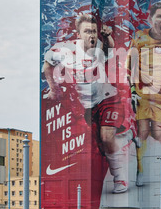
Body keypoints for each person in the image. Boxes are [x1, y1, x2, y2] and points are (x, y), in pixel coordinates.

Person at [44, 14, 132, 193]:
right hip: (85, 106)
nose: (91, 35)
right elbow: (47, 64)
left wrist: (107, 36)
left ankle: (120, 178)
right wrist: (53, 89)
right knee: (95, 145)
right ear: (78, 34)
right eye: (87, 32)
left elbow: (110, 49)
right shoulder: (64, 51)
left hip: (107, 98)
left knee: (106, 137)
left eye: (94, 31)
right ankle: (124, 138)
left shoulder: (99, 47)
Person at [127, 1, 161, 186]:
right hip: (142, 94)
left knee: (160, 135)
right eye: (160, 16)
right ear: (151, 19)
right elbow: (131, 66)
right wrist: (133, 90)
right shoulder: (139, 38)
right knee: (142, 132)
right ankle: (140, 170)